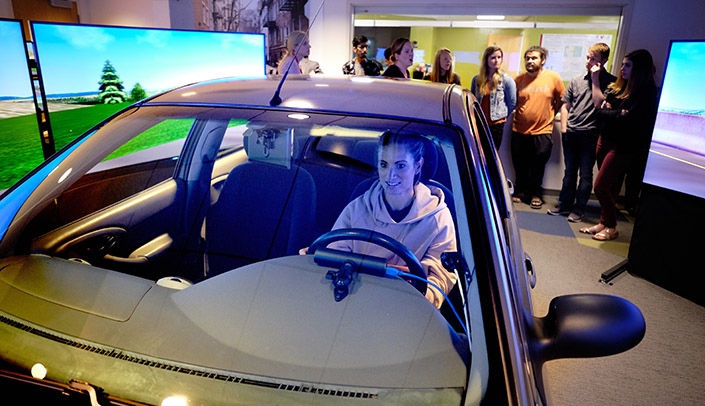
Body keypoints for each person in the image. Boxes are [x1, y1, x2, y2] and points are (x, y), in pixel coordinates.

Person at [328, 131, 457, 309]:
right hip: (351, 303)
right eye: (384, 165)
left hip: (404, 310)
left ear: (418, 166)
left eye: (400, 166)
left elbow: (438, 282)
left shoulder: (438, 218)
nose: (390, 175)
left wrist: (407, 302)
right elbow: (332, 260)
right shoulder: (356, 209)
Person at [580, 49, 658, 241]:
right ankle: (603, 222)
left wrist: (612, 112)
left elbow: (629, 120)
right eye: (623, 64)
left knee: (601, 186)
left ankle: (612, 227)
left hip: (623, 146)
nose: (623, 68)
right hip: (605, 139)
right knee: (611, 186)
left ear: (639, 69)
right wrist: (616, 112)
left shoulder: (646, 92)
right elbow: (598, 110)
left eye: (628, 65)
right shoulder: (618, 87)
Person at [548, 43, 617, 223]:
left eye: (593, 59)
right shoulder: (576, 80)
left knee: (585, 174)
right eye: (588, 57)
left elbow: (599, 103)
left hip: (591, 135)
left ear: (604, 61)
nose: (589, 61)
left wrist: (595, 79)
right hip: (571, 132)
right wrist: (564, 129)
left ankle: (579, 209)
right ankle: (564, 206)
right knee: (569, 171)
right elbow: (565, 106)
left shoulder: (612, 82)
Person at [511, 45, 565, 209]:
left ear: (543, 60)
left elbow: (561, 100)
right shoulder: (519, 80)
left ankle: (535, 193)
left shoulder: (553, 78)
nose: (530, 61)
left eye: (534, 58)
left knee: (538, 164)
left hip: (543, 130)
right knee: (520, 163)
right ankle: (520, 191)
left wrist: (550, 114)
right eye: (527, 58)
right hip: (519, 129)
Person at [471, 45, 517, 149]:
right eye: (493, 58)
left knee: (492, 153)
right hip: (479, 122)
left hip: (496, 124)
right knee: (478, 153)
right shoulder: (477, 79)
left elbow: (512, 102)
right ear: (486, 60)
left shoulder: (506, 80)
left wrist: (501, 115)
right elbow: (472, 100)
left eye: (499, 57)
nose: (496, 60)